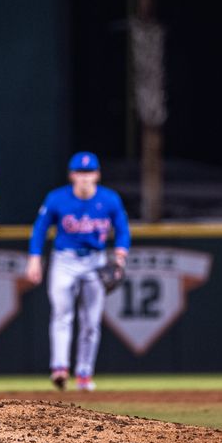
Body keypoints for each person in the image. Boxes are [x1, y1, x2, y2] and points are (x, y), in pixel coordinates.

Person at [24, 152, 130, 391]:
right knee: (62, 314)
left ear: (97, 175)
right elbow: (40, 230)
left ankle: (84, 372)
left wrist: (121, 254)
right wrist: (34, 260)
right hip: (65, 261)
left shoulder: (110, 200)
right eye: (80, 173)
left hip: (96, 261)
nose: (84, 177)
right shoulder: (56, 199)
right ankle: (60, 368)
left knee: (91, 321)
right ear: (72, 175)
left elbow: (123, 229)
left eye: (89, 172)